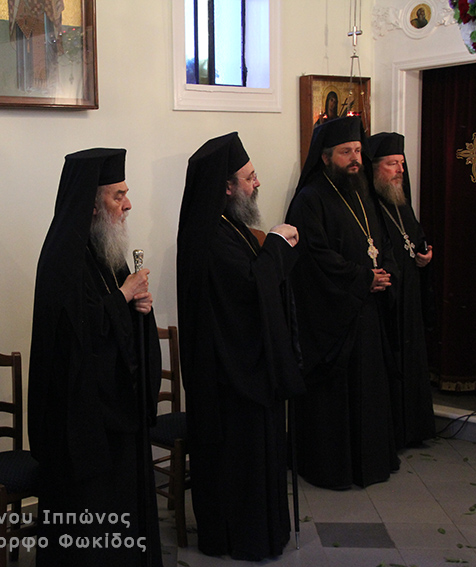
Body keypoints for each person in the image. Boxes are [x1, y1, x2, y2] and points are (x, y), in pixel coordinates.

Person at [28, 148, 163, 567]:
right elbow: (72, 337)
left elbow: (114, 319)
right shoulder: (61, 258)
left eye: (126, 194)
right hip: (81, 420)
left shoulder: (107, 251)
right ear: (91, 204)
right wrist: (123, 297)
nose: (128, 204)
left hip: (117, 410)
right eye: (117, 196)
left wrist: (139, 309)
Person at [176, 133, 305, 560]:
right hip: (229, 379)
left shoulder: (231, 228)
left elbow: (258, 281)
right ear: (227, 187)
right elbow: (248, 291)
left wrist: (275, 249)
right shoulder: (210, 236)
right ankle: (241, 538)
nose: (258, 183)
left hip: (248, 370)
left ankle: (263, 531)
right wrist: (277, 245)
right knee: (238, 462)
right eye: (249, 178)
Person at [285, 116, 399, 489]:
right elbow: (314, 257)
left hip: (367, 309)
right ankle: (334, 468)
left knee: (370, 389)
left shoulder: (363, 191)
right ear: (325, 157)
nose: (354, 159)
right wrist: (363, 278)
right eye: (346, 152)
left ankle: (371, 462)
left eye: (358, 151)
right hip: (334, 318)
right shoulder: (310, 199)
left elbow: (380, 240)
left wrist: (384, 271)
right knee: (339, 396)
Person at [369, 132, 436, 447]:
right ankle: (396, 433)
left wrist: (425, 256)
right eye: (392, 164)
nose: (399, 171)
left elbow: (415, 238)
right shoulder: (370, 207)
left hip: (410, 295)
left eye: (402, 164)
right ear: (375, 168)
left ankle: (416, 430)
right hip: (389, 298)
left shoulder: (401, 201)